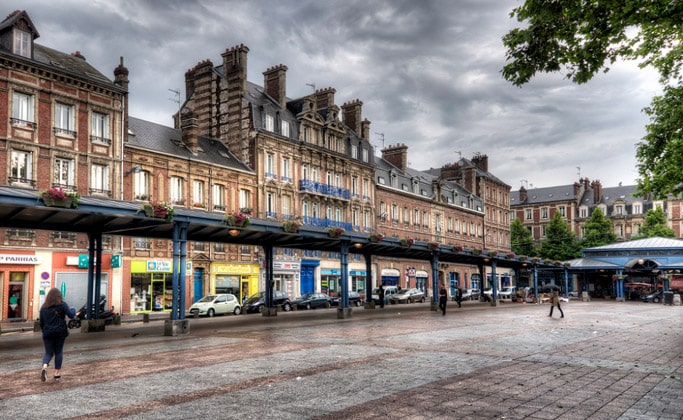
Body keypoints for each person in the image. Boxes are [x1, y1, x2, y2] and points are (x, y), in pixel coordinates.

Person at [39, 288, 76, 382]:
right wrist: (73, 309)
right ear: (59, 296)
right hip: (60, 332)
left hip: (48, 333)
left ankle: (44, 366)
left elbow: (41, 322)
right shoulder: (63, 305)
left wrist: (45, 331)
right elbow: (71, 315)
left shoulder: (43, 307)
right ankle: (56, 374)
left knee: (48, 353)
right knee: (58, 352)